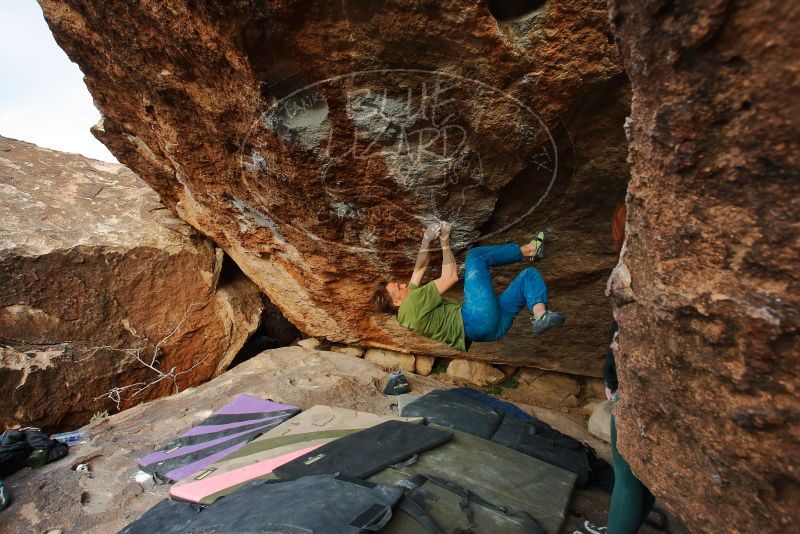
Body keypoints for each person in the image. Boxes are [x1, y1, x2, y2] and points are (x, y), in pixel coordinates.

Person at [371, 221, 565, 350]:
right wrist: (445, 242)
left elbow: (419, 268)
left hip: (490, 332)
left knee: (528, 276)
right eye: (399, 287)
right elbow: (450, 276)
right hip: (475, 319)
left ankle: (540, 316)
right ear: (396, 301)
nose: (404, 284)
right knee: (475, 257)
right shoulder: (412, 301)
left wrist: (427, 240)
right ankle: (529, 249)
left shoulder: (405, 314)